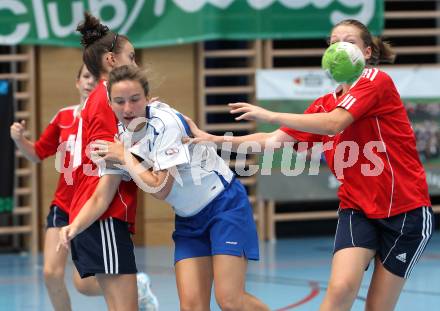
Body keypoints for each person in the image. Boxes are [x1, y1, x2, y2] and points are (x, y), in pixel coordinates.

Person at [183, 19, 433, 311]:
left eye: (349, 42)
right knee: (339, 289)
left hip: (405, 211)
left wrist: (272, 114)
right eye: (333, 42)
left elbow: (334, 123)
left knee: (377, 307)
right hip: (358, 209)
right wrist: (211, 138)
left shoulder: (375, 80)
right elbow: (271, 141)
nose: (339, 47)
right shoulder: (324, 103)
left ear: (366, 52)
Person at [71, 65, 270, 311]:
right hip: (188, 219)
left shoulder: (164, 123)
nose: (128, 108)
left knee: (230, 300)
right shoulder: (118, 139)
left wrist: (125, 157)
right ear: (110, 103)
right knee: (191, 307)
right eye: (119, 101)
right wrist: (74, 227)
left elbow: (162, 188)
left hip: (224, 206)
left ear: (147, 97)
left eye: (134, 99)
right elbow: (104, 193)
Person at [58, 13, 158, 311]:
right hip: (104, 214)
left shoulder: (107, 100)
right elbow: (108, 174)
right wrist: (78, 224)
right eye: (132, 57)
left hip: (99, 212)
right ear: (112, 60)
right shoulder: (105, 99)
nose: (136, 64)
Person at [10, 64, 102, 311]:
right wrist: (19, 140)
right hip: (63, 205)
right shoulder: (63, 117)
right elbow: (37, 153)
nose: (89, 82)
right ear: (77, 82)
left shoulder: (108, 118)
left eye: (95, 78)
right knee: (51, 273)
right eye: (85, 76)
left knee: (84, 284)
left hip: (92, 207)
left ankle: (134, 286)